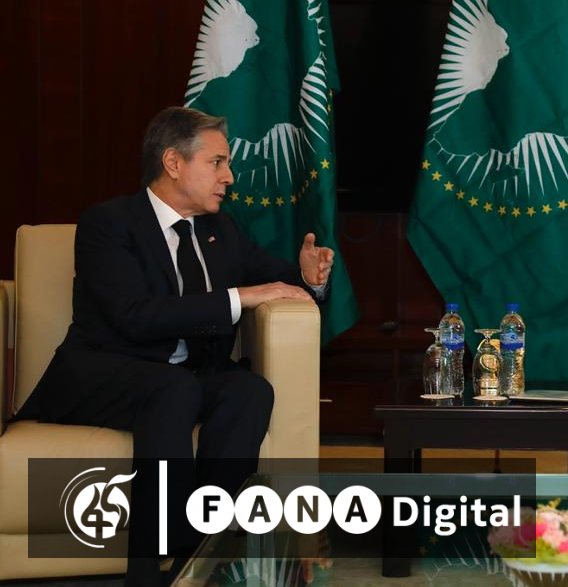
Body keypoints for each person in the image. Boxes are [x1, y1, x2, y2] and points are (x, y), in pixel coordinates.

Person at [19, 106, 334, 586]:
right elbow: (134, 315)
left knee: (248, 390)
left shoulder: (220, 229)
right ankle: (148, 570)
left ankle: (206, 550)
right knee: (173, 388)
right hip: (103, 373)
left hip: (180, 380)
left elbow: (276, 279)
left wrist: (309, 277)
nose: (229, 177)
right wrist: (239, 297)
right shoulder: (109, 223)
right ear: (173, 162)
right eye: (217, 163)